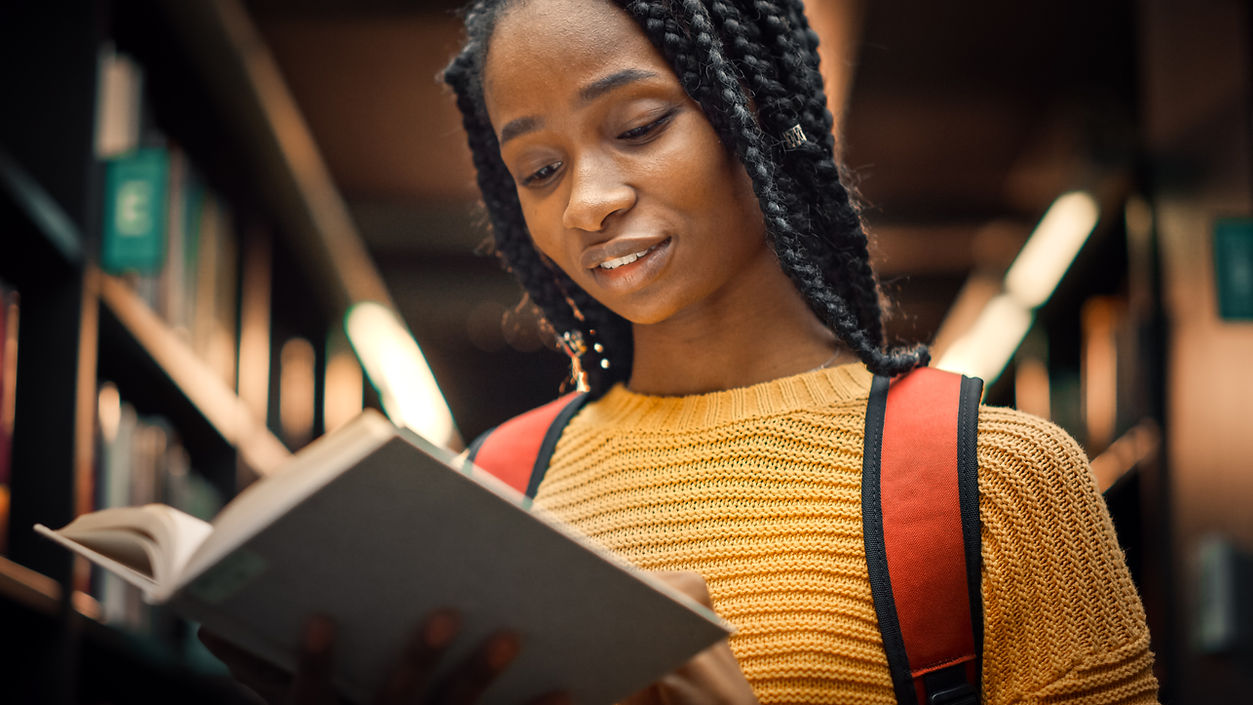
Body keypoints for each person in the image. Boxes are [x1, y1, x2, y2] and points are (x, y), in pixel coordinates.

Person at [204, 0, 1162, 702]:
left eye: (638, 126)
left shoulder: (998, 481)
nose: (588, 202)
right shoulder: (490, 488)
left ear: (753, 109)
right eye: (538, 169)